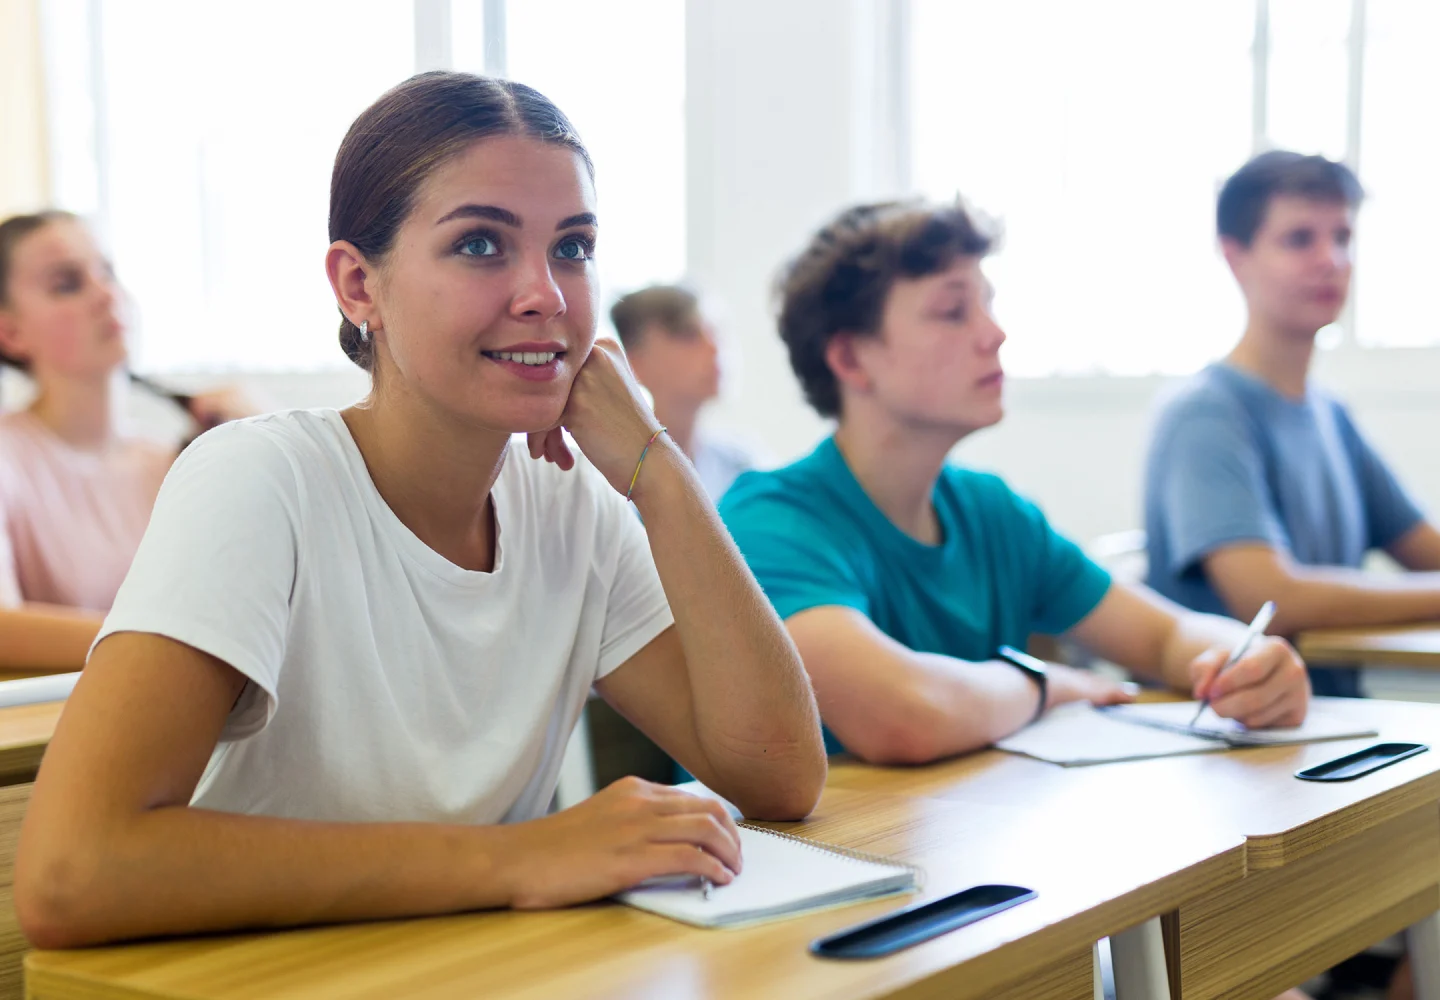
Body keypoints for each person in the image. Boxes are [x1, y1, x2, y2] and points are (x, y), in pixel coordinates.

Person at [15, 72, 825, 948]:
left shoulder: (571, 508)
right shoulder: (260, 479)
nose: (546, 294)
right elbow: (73, 874)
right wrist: (523, 858)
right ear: (358, 286)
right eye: (481, 244)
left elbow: (779, 775)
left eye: (574, 246)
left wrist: (656, 467)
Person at [719, 199, 1312, 768]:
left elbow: (1165, 635)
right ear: (849, 359)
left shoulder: (990, 511)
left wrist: (1246, 659)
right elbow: (903, 714)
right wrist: (1045, 684)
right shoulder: (769, 520)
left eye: (988, 305)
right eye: (953, 312)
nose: (994, 333)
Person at [1144, 151, 1440, 700]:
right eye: (1299, 239)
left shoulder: (1331, 415)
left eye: (1343, 237)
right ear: (1235, 257)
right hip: (1242, 741)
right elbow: (1271, 598)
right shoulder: (1205, 413)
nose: (1330, 260)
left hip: (1337, 729)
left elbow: (1424, 547)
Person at [0, 210, 256, 671]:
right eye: (66, 283)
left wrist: (259, 457)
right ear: (10, 332)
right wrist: (184, 640)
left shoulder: (179, 464)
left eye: (108, 272)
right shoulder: (8, 457)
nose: (106, 294)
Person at [610, 285, 764, 500]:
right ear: (634, 362)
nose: (715, 349)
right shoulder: (607, 480)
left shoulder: (743, 466)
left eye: (716, 332)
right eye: (689, 335)